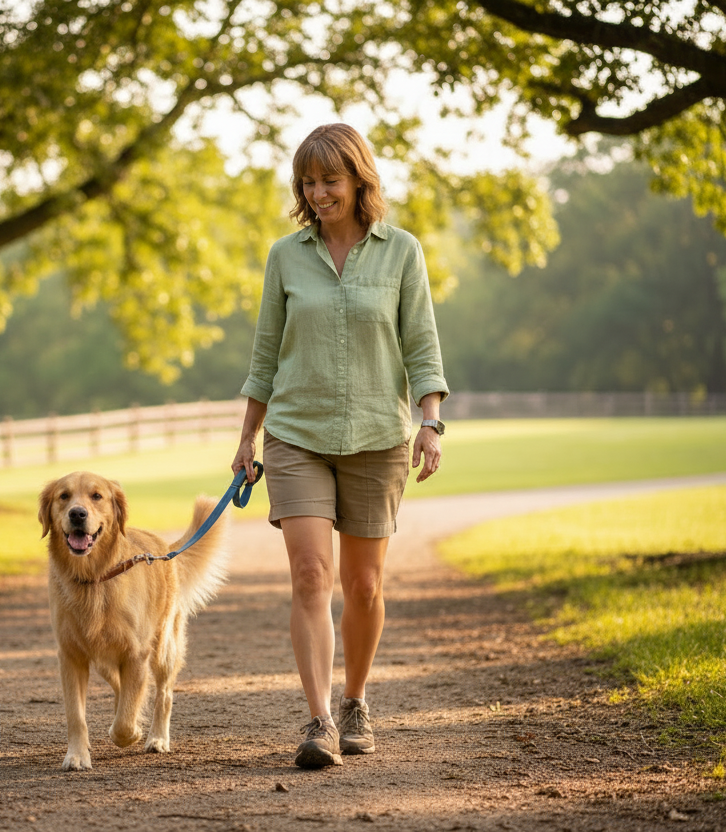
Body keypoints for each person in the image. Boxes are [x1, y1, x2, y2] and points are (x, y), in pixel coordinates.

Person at [231, 123, 449, 769]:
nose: (318, 192)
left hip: (379, 436)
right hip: (296, 432)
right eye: (309, 181)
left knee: (364, 585)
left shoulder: (402, 252)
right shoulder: (285, 256)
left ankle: (355, 700)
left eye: (330, 180)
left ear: (358, 179)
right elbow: (265, 354)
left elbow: (423, 347)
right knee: (309, 576)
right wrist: (247, 436)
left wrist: (431, 422)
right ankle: (320, 719)